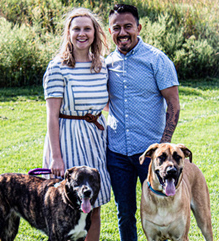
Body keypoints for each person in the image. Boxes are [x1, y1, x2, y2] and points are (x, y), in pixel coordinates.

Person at [105, 4, 180, 241]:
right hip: (117, 153)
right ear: (110, 31)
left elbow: (174, 104)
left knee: (164, 207)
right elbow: (106, 102)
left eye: (128, 26)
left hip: (150, 154)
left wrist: (163, 147)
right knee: (125, 213)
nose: (123, 32)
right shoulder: (107, 64)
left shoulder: (157, 60)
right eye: (116, 28)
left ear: (138, 27)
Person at [42, 8, 111, 241]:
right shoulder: (57, 67)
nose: (82, 34)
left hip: (95, 141)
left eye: (87, 29)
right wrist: (56, 157)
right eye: (77, 29)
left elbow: (107, 105)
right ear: (68, 33)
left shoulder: (102, 66)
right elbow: (52, 115)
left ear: (95, 33)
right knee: (64, 208)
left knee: (94, 206)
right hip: (67, 138)